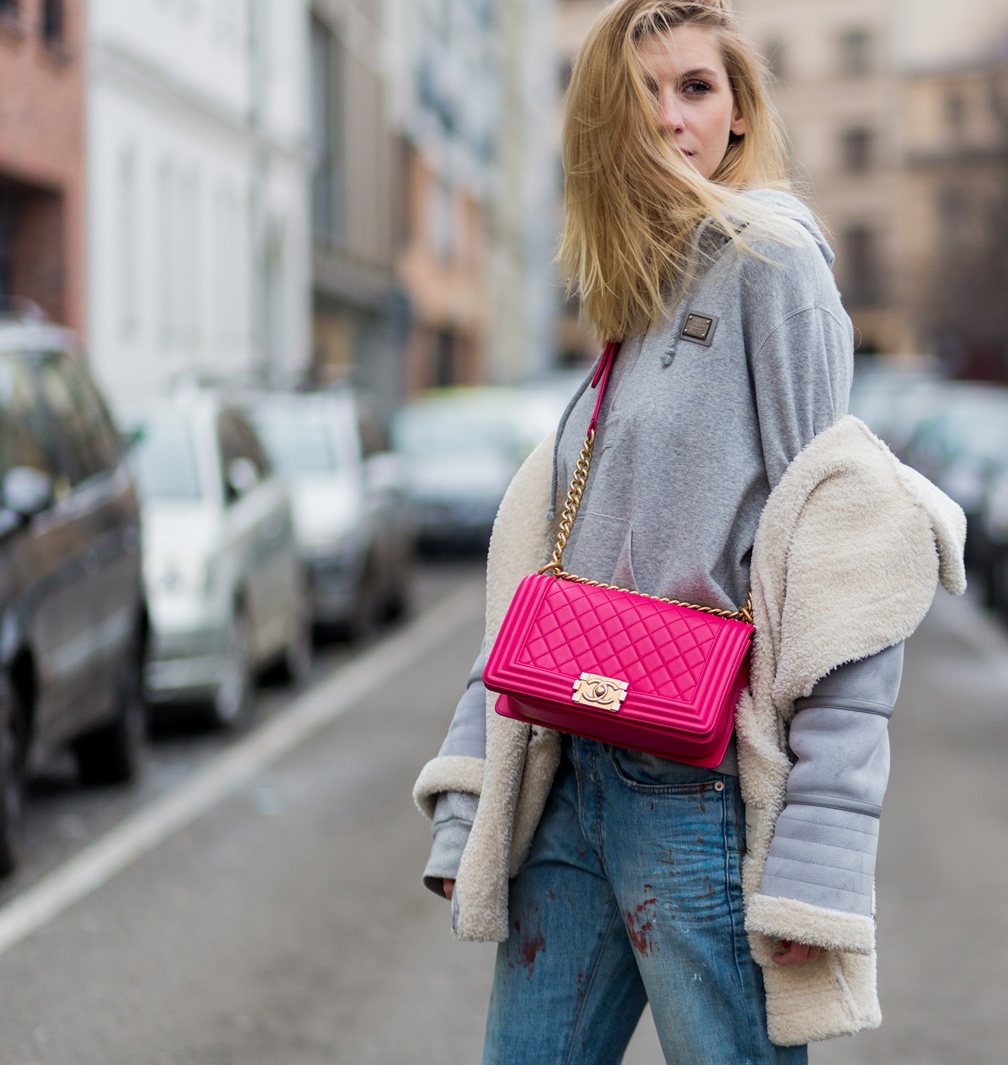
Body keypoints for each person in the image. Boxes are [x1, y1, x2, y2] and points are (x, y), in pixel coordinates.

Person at [411, 1, 964, 1061]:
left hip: (690, 790)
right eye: (643, 93)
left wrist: (816, 862)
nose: (671, 118)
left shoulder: (774, 264)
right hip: (567, 777)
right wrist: (470, 796)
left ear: (740, 113)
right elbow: (548, 558)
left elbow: (842, 554)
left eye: (697, 88)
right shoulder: (637, 283)